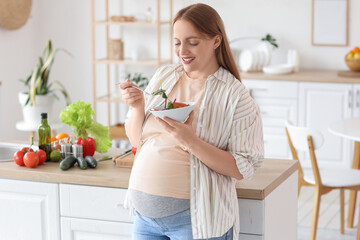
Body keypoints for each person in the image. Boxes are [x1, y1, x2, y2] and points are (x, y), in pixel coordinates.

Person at [119, 3, 264, 240]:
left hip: (195, 224)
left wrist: (190, 140)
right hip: (144, 220)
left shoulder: (235, 96)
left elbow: (243, 167)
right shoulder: (164, 76)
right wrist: (137, 108)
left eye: (192, 42)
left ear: (216, 41)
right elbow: (138, 143)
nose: (182, 50)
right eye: (177, 42)